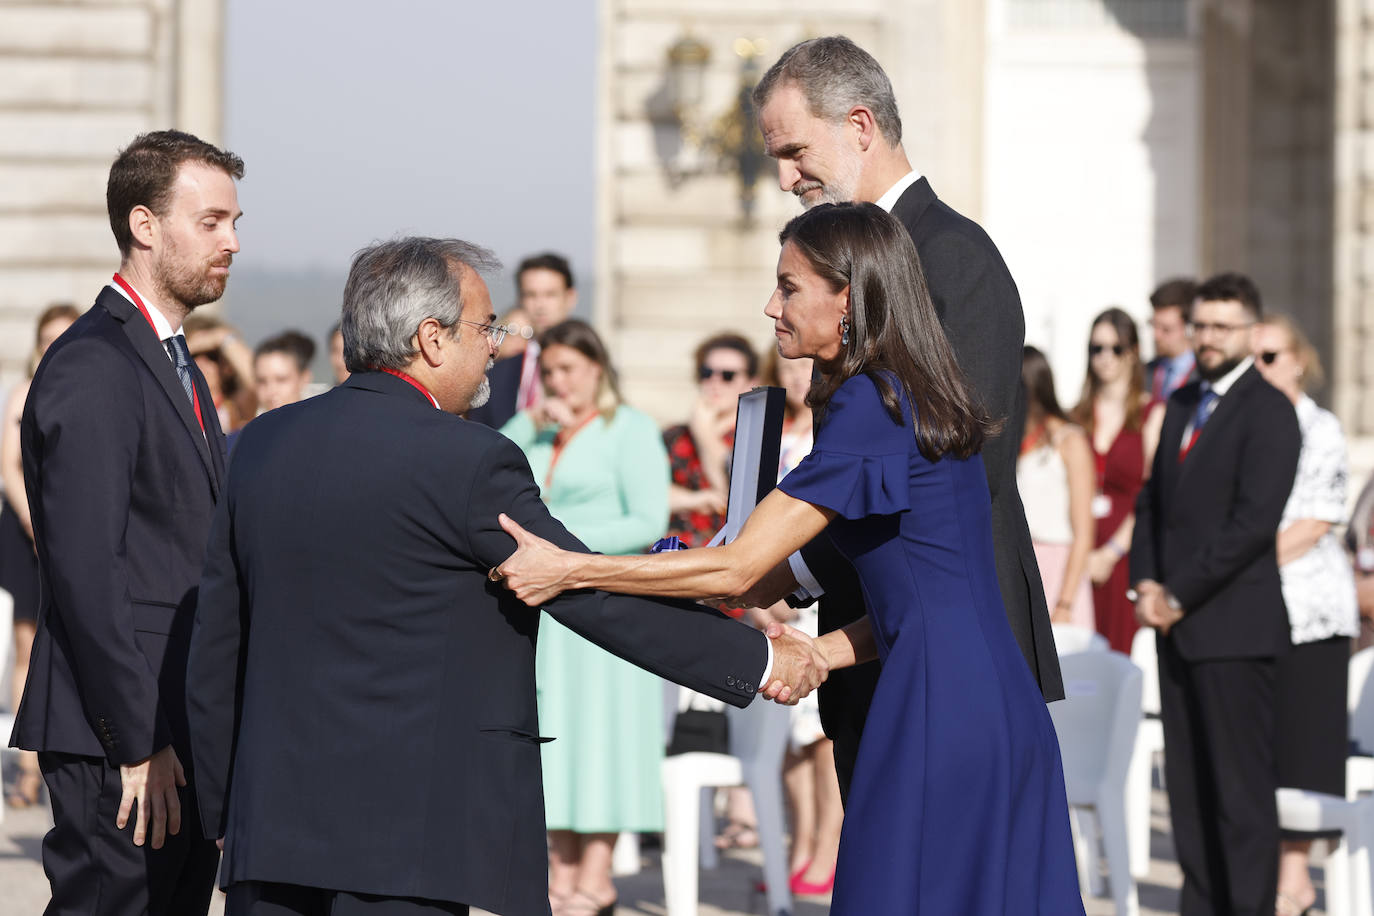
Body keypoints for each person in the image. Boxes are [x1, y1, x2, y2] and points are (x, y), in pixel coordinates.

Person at [184, 236, 824, 916]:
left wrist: (224, 809)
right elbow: (587, 592)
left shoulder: (258, 445)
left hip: (270, 835)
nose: (497, 344)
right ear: (431, 339)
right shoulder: (469, 460)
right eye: (485, 327)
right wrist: (758, 658)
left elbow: (217, 640)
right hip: (410, 845)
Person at [494, 203, 1083, 914]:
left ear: (848, 296)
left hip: (938, 710)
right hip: (994, 703)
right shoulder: (918, 393)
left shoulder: (870, 402)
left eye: (789, 286)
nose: (771, 306)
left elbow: (742, 568)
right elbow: (927, 594)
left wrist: (572, 567)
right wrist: (822, 653)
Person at [747, 35, 1062, 803]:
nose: (787, 179)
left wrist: (787, 569)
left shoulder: (952, 256)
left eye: (794, 151)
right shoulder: (843, 261)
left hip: (948, 654)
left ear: (860, 125)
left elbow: (956, 468)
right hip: (874, 641)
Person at [10, 129, 239, 916]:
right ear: (145, 225)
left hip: (177, 728)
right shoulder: (94, 363)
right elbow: (84, 570)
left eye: (234, 222)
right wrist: (136, 739)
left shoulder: (174, 361)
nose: (232, 242)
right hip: (123, 739)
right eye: (210, 222)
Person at [1130, 272, 1301, 916]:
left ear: (1252, 334)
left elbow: (1252, 527)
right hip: (1176, 629)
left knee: (1240, 797)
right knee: (1190, 792)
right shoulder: (1180, 402)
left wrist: (1176, 593)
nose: (1206, 338)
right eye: (1200, 325)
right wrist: (1146, 582)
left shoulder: (1270, 412)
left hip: (1234, 631)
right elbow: (1154, 503)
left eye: (1221, 327)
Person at [499, 319, 671, 915]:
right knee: (555, 739)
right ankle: (560, 872)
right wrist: (530, 420)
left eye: (569, 369)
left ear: (597, 367)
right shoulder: (538, 433)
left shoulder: (631, 430)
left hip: (606, 606)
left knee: (604, 738)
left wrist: (566, 548)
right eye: (549, 371)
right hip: (549, 617)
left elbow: (648, 519)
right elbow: (495, 460)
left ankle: (595, 877)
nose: (559, 381)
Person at [1251, 315, 1359, 916]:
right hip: (1258, 604)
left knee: (1303, 743)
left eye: (1269, 357)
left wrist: (1237, 563)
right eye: (1254, 358)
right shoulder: (1246, 422)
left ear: (1298, 360)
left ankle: (1295, 880)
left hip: (1311, 608)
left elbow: (1315, 520)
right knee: (1260, 744)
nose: (1260, 368)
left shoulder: (1321, 428)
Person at [757, 348, 844, 895]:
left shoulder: (829, 440)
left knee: (821, 736)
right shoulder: (782, 441)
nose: (795, 377)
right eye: (786, 369)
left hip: (815, 594)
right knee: (790, 736)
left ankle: (828, 845)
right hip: (779, 596)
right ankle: (802, 839)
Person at [0, 302, 80, 808]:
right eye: (48, 336)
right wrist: (32, 517)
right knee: (27, 643)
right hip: (26, 527)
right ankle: (29, 767)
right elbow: (9, 465)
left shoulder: (87, 390)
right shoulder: (23, 393)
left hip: (72, 531)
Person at [1071, 308, 1162, 653]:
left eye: (1116, 348)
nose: (1106, 358)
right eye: (1097, 348)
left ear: (1134, 352)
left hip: (1124, 553)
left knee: (1119, 655)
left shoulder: (1152, 414)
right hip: (1080, 549)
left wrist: (1111, 553)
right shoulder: (1076, 415)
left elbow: (1151, 493)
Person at [1018, 345, 1096, 630]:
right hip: (1020, 566)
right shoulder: (1008, 442)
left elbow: (1084, 534)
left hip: (1060, 571)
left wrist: (1065, 603)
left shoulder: (1069, 440)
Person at [663, 333, 760, 552]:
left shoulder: (755, 437)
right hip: (667, 549)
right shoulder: (674, 435)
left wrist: (704, 433)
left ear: (751, 382)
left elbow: (734, 495)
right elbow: (645, 493)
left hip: (723, 555)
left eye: (727, 375)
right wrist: (694, 499)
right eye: (707, 373)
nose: (715, 382)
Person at [466, 252, 578, 428]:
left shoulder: (593, 366)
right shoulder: (496, 374)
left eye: (550, 295)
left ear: (570, 298)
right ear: (520, 299)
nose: (540, 305)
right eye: (531, 295)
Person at [184, 311, 257, 431]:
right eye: (193, 355)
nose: (201, 362)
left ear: (228, 367)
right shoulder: (172, 407)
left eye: (212, 355)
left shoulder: (239, 408)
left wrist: (221, 338)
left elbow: (258, 380)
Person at [1146, 277, 1198, 401]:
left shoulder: (1204, 377)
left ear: (1189, 329)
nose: (1156, 336)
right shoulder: (1146, 373)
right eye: (1154, 326)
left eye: (1166, 329)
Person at [252, 329, 316, 412]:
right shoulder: (253, 424)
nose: (271, 391)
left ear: (304, 378)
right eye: (262, 381)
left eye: (281, 380)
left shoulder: (325, 422)